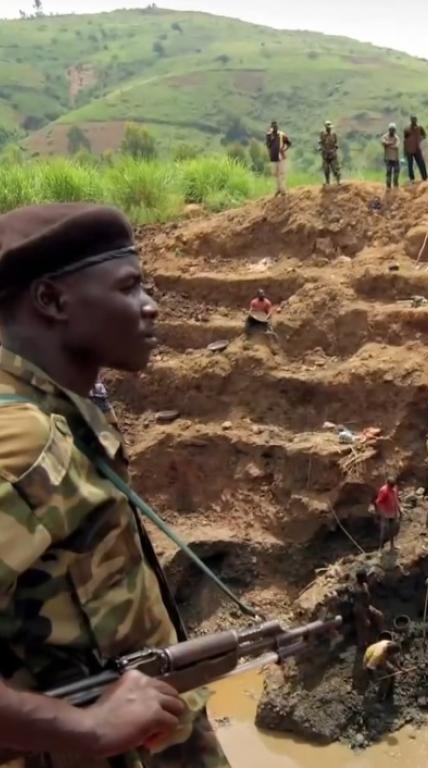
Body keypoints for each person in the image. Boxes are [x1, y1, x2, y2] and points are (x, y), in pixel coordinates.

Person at [0, 203, 229, 765]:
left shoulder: (58, 403)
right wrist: (87, 730)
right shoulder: (23, 442)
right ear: (52, 301)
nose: (150, 306)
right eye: (128, 287)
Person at [350, 590, 384, 692]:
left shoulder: (365, 604)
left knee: (379, 616)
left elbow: (375, 613)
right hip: (363, 631)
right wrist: (368, 619)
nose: (368, 600)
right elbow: (366, 623)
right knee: (367, 646)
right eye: (366, 599)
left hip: (369, 628)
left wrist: (378, 616)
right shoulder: (358, 608)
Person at [373, 478, 402, 551]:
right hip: (386, 514)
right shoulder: (384, 490)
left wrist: (399, 510)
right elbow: (378, 502)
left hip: (393, 513)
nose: (392, 487)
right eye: (390, 486)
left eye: (393, 486)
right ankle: (380, 547)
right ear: (387, 484)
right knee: (384, 530)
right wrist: (382, 513)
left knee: (392, 530)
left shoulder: (394, 489)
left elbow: (396, 500)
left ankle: (392, 546)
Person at [265, 120, 292, 196]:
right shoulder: (269, 135)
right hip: (273, 157)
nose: (275, 128)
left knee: (282, 174)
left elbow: (289, 143)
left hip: (281, 157)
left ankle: (283, 190)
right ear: (271, 127)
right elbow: (268, 145)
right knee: (275, 174)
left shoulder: (282, 135)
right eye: (273, 127)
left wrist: (284, 149)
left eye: (276, 126)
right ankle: (278, 189)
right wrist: (272, 138)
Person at [403, 116, 428, 182]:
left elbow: (424, 135)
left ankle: (425, 177)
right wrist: (405, 151)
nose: (414, 121)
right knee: (410, 165)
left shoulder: (419, 128)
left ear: (416, 120)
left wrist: (420, 139)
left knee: (421, 163)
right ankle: (412, 179)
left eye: (415, 120)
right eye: (412, 120)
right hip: (409, 149)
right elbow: (405, 140)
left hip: (417, 148)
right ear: (411, 120)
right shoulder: (407, 129)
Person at [318, 120, 340, 186]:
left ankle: (338, 181)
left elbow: (336, 143)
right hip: (325, 154)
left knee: (335, 168)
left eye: (330, 127)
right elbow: (321, 142)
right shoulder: (322, 134)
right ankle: (327, 182)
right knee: (326, 169)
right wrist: (321, 147)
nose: (329, 128)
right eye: (328, 127)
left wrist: (335, 147)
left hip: (332, 154)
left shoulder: (334, 135)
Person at [382, 123, 401, 190]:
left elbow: (396, 146)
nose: (392, 131)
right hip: (388, 158)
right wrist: (391, 143)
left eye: (393, 130)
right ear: (389, 130)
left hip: (395, 158)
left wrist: (388, 144)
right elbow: (383, 143)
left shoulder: (397, 138)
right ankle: (388, 187)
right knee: (388, 173)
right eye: (391, 129)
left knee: (396, 173)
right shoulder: (385, 136)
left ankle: (395, 186)